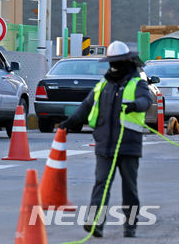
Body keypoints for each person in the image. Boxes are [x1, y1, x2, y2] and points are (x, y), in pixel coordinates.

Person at [58, 41, 152, 238]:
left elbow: (146, 100)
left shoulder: (137, 83)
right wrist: (69, 123)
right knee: (101, 183)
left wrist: (135, 105)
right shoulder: (104, 84)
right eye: (111, 61)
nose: (114, 65)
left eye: (117, 61)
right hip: (105, 144)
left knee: (130, 188)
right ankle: (95, 223)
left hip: (128, 145)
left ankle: (130, 225)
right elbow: (86, 106)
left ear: (127, 61)